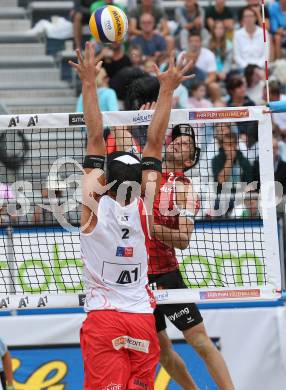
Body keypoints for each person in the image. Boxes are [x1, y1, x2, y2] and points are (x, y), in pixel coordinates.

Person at [69, 41, 193, 389]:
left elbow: (95, 135)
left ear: (106, 182)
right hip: (141, 318)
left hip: (105, 318)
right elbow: (154, 142)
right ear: (139, 183)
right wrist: (167, 89)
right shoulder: (144, 204)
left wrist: (90, 82)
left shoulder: (91, 210)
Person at [147, 124, 235, 390]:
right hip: (137, 278)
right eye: (176, 140)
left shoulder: (185, 190)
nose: (178, 143)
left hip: (165, 275)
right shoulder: (147, 175)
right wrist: (141, 121)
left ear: (190, 159)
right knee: (162, 351)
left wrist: (149, 226)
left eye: (185, 144)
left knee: (198, 341)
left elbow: (184, 241)